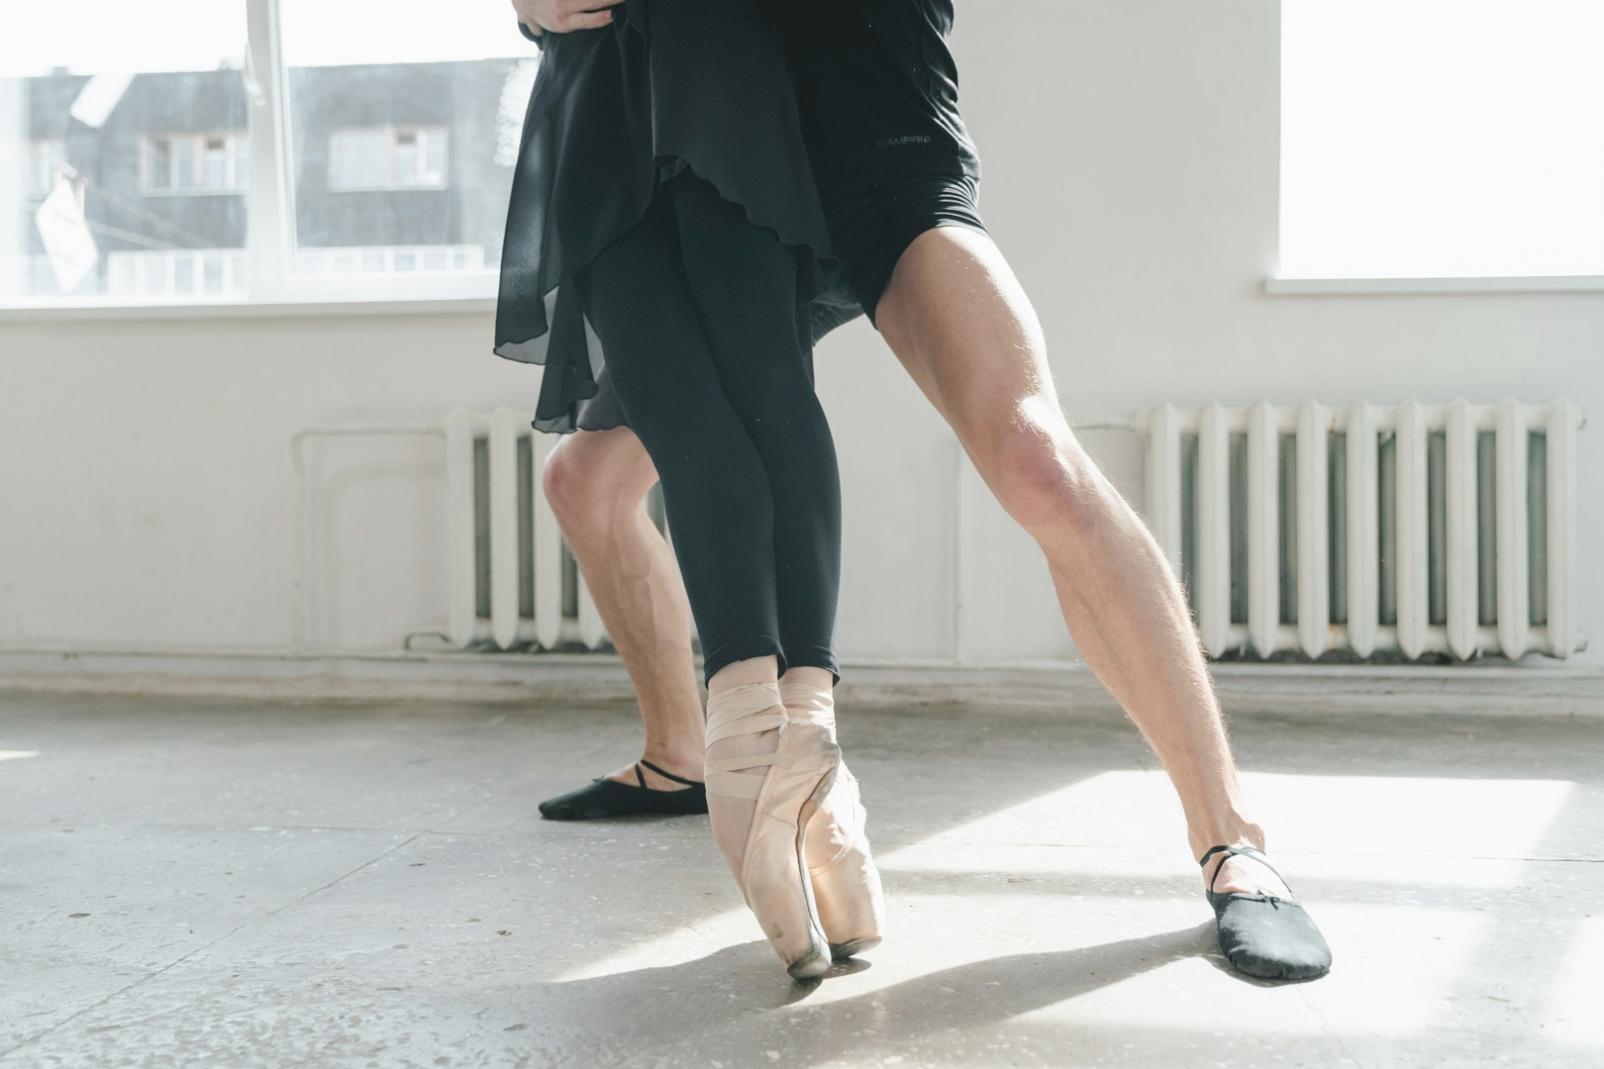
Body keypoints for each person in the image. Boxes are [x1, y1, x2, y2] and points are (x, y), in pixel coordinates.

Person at [515, 0, 1332, 982]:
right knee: (583, 481)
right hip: (702, 152)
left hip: (875, 170)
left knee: (1033, 456)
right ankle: (681, 753)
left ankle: (1231, 841)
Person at [493, 0, 885, 979]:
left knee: (751, 405)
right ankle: (786, 766)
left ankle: (765, 762)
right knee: (722, 415)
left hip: (709, 69)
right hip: (605, 89)